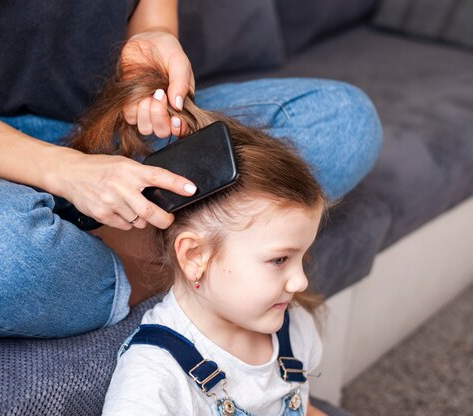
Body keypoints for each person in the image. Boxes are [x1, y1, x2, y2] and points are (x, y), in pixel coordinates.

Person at [0, 0, 382, 338]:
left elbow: (153, 26)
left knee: (343, 122)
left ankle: (105, 243)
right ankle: (185, 250)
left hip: (113, 139)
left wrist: (152, 72)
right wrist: (72, 174)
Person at [101, 62, 328, 416]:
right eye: (280, 259)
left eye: (303, 256)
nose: (301, 281)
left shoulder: (294, 328)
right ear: (194, 257)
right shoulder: (154, 378)